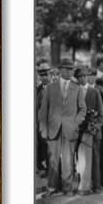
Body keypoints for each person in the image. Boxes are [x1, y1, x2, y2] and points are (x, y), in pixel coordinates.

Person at [38, 58, 86, 195]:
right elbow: (43, 111)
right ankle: (52, 187)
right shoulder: (50, 88)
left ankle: (67, 188)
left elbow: (83, 109)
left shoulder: (77, 88)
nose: (70, 71)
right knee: (52, 161)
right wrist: (43, 129)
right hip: (53, 130)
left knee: (68, 161)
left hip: (70, 130)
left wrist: (76, 122)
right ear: (60, 70)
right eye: (67, 69)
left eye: (71, 69)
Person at [74, 67, 103, 195]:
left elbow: (101, 114)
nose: (82, 79)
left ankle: (96, 185)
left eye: (84, 76)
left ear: (88, 77)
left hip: (92, 130)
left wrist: (95, 127)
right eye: (79, 77)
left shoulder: (94, 92)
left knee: (95, 158)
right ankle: (81, 184)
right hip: (77, 130)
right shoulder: (73, 92)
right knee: (78, 158)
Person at [36, 61, 51, 175]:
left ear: (50, 75)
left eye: (46, 74)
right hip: (40, 123)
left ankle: (51, 170)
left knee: (50, 147)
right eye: (42, 75)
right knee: (42, 146)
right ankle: (43, 167)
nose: (44, 77)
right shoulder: (38, 89)